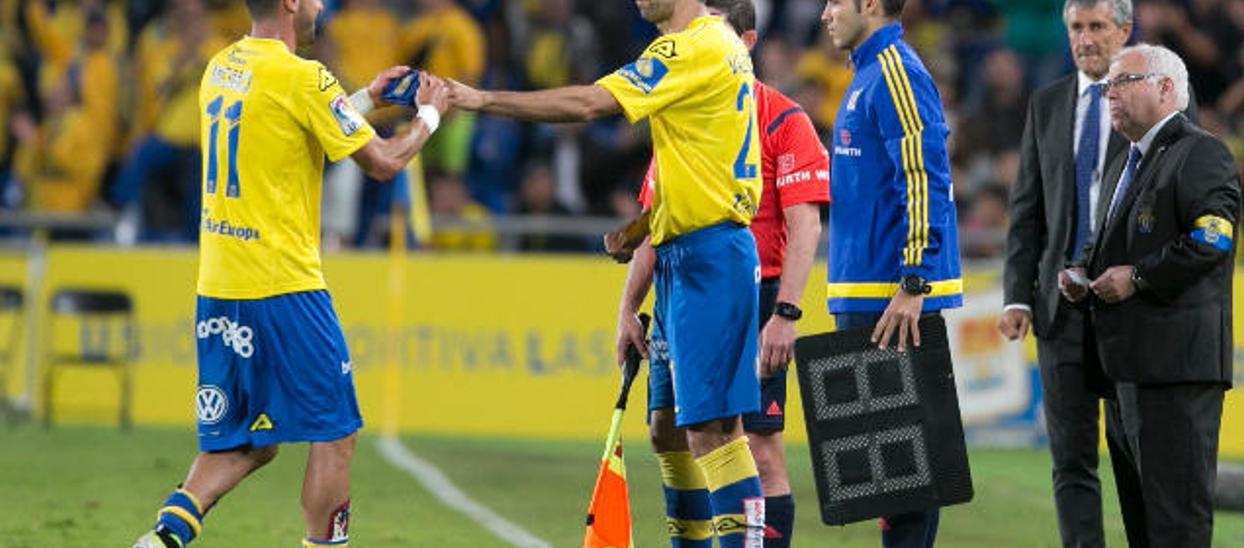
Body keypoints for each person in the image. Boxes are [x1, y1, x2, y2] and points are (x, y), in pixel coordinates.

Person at [130, 0, 451, 545]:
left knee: (246, 441)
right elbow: (384, 163)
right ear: (291, 3)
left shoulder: (223, 67)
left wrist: (369, 98)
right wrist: (431, 115)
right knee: (335, 432)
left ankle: (163, 536)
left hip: (221, 283)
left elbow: (293, 131)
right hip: (283, 285)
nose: (323, 4)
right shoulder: (305, 76)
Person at [448, 1, 768, 546]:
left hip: (710, 258)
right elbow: (703, 162)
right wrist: (645, 225)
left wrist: (480, 98)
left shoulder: (693, 45)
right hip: (681, 254)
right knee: (668, 429)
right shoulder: (715, 46)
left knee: (713, 432)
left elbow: (588, 102)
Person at [616, 2, 828, 545]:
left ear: (746, 42)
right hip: (679, 288)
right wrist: (626, 307)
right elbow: (657, 217)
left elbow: (806, 226)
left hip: (751, 293)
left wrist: (785, 311)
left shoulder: (784, 120)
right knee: (668, 432)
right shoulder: (684, 112)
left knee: (755, 444)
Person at [1061, 44, 1239, 548]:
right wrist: (1083, 274)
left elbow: (1213, 240)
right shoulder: (1127, 161)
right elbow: (1114, 246)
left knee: (1175, 525)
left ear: (1166, 89)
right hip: (1126, 372)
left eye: (1123, 82)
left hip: (1175, 373)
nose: (1108, 95)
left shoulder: (1201, 151)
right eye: (1107, 86)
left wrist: (1138, 277)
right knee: (1144, 526)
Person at [820, 0, 962, 546]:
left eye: (836, 1)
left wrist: (914, 282)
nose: (826, 13)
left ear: (872, 5)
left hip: (893, 298)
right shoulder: (867, 75)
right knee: (885, 478)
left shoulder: (897, 73)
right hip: (866, 293)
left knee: (907, 470)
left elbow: (925, 176)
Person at [1000, 2, 1134, 545]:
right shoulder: (1048, 102)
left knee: (1136, 457)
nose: (1086, 38)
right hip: (1060, 310)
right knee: (1071, 462)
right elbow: (1027, 208)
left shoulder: (1159, 98)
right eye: (1076, 27)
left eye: (1097, 26)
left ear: (1125, 30)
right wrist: (1017, 295)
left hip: (1132, 310)